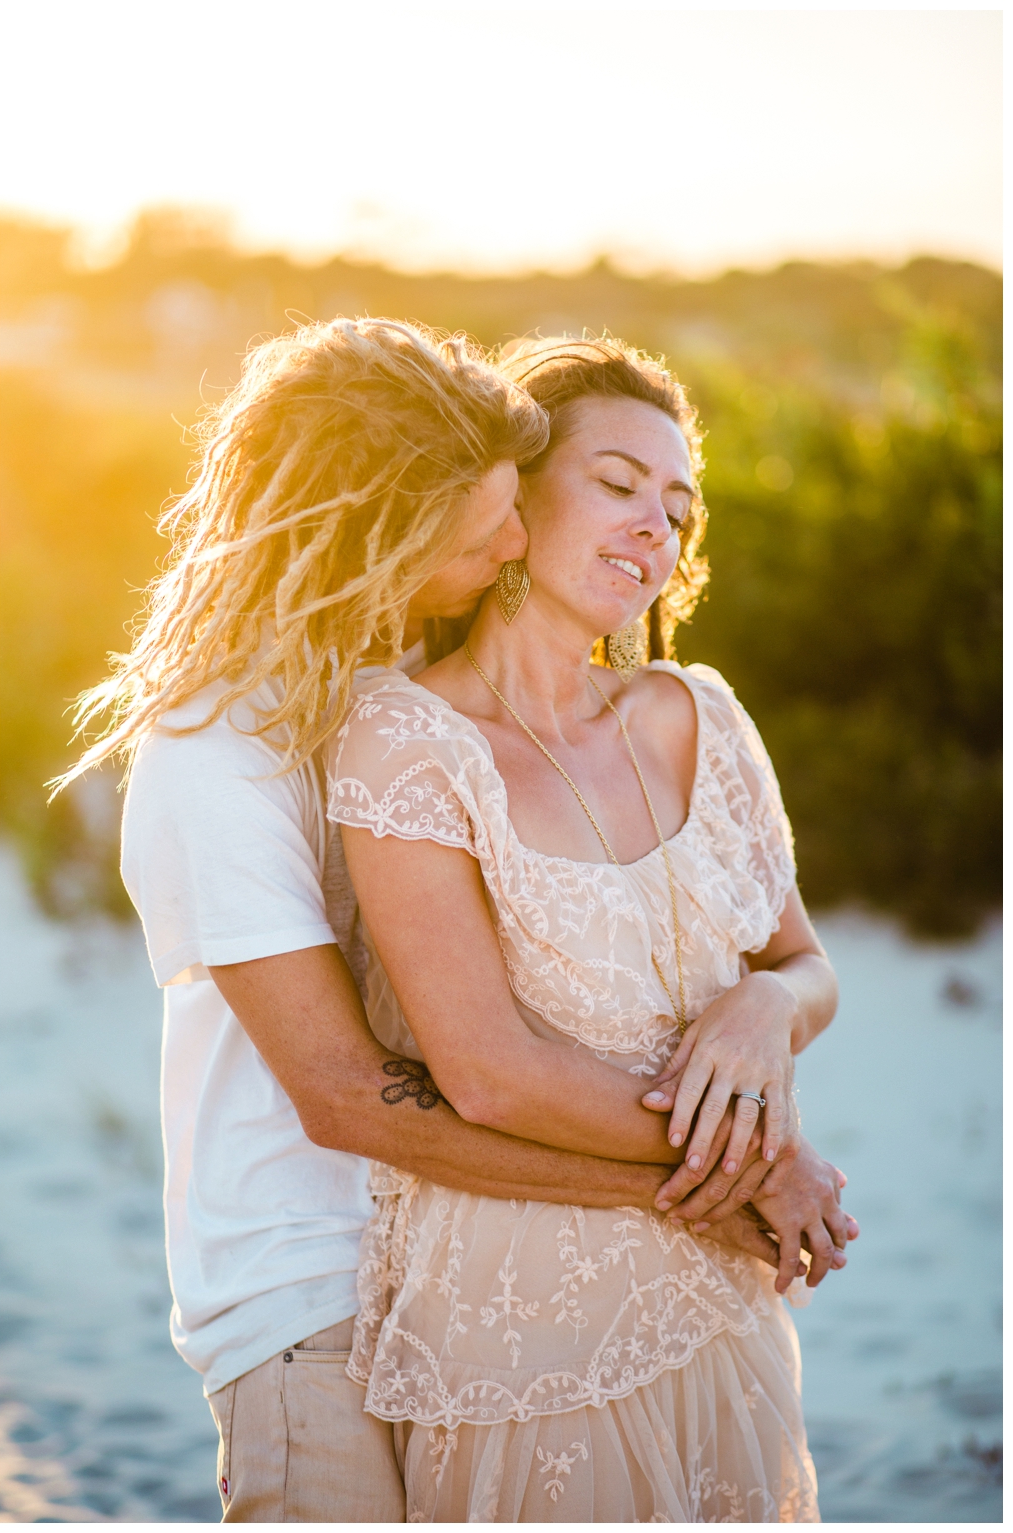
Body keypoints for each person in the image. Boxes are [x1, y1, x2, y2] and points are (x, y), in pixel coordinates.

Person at [83, 318, 852, 1520]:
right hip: (307, 1297)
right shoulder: (216, 751)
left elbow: (766, 951)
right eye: (486, 515)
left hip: (454, 1253)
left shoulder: (395, 675)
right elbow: (344, 1098)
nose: (505, 540)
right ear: (383, 518)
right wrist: (733, 1168)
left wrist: (759, 1020)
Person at [329, 335, 834, 1518]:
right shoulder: (405, 742)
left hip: (721, 1293)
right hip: (522, 1321)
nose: (652, 527)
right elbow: (487, 1074)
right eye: (616, 485)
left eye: (676, 506)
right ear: (507, 497)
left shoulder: (695, 715)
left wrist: (764, 1009)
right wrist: (763, 1162)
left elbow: (803, 964)